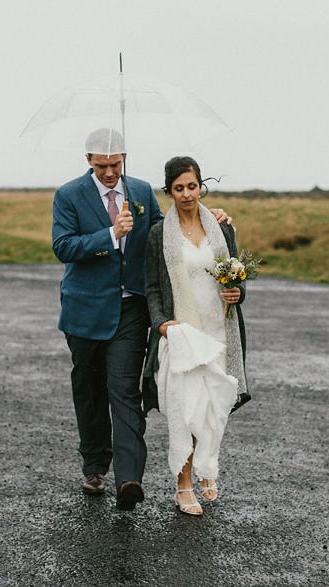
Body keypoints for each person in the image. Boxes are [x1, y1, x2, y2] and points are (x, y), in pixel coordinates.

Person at [52, 131, 230, 511]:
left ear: (124, 158)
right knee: (90, 391)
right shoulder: (68, 195)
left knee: (124, 391)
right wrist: (110, 234)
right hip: (84, 311)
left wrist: (208, 217)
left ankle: (129, 480)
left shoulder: (141, 192)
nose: (110, 172)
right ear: (89, 161)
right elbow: (63, 246)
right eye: (102, 166)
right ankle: (95, 465)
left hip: (130, 310)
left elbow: (166, 235)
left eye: (116, 164)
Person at [143, 156, 251, 516]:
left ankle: (207, 467)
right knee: (186, 410)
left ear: (201, 186)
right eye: (179, 188)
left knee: (214, 406)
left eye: (192, 186)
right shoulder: (159, 234)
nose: (187, 194)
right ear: (169, 192)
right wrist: (161, 323)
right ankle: (184, 483)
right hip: (184, 332)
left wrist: (238, 292)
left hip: (219, 328)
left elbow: (236, 277)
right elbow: (152, 287)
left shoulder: (221, 227)